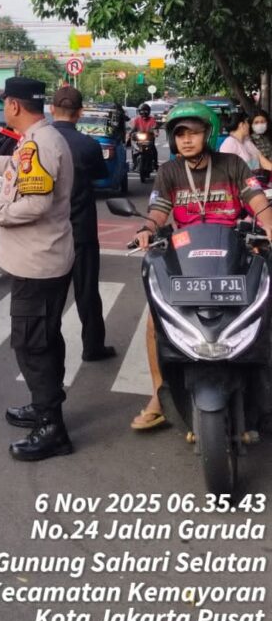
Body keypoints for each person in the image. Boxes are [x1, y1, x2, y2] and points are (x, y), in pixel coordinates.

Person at [130, 101, 272, 431]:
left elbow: (256, 200)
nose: (187, 140)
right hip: (186, 259)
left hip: (233, 254)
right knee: (156, 323)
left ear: (208, 133)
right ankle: (159, 394)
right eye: (180, 134)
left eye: (193, 133)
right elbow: (158, 211)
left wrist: (267, 222)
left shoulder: (233, 164)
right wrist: (147, 230)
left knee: (263, 311)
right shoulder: (169, 172)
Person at [0, 77, 75, 462]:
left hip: (38, 263)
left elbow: (35, 206)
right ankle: (43, 405)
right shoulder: (38, 141)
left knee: (32, 345)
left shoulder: (39, 144)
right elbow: (21, 168)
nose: (3, 110)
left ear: (14, 105)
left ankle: (52, 428)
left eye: (4, 105)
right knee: (44, 339)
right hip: (40, 260)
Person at [50, 85, 115, 361]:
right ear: (79, 113)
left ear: (52, 110)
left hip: (50, 233)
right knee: (87, 291)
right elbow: (101, 176)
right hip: (82, 230)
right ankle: (92, 347)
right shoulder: (88, 145)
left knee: (51, 297)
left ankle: (47, 346)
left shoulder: (40, 142)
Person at [220, 109, 272, 175]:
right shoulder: (229, 143)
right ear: (242, 125)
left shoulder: (247, 141)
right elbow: (226, 170)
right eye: (247, 123)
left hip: (255, 180)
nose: (249, 126)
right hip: (241, 183)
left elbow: (261, 159)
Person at [128, 103, 159, 169]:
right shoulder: (137, 119)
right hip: (139, 139)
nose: (144, 113)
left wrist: (155, 132)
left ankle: (155, 164)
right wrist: (130, 133)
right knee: (133, 149)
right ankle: (134, 163)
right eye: (142, 111)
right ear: (139, 112)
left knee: (153, 149)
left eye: (145, 111)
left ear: (148, 111)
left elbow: (155, 127)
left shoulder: (152, 119)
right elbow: (134, 128)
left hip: (149, 138)